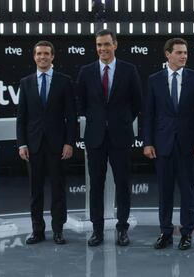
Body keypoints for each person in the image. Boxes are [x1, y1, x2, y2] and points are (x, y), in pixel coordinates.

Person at [76, 29, 142, 247]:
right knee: (96, 186)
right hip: (95, 138)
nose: (102, 49)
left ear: (115, 44)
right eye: (98, 45)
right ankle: (97, 231)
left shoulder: (129, 70)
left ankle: (122, 229)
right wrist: (99, 121)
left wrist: (120, 121)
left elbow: (136, 103)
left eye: (106, 44)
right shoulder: (86, 71)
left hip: (120, 137)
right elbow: (82, 104)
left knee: (123, 184)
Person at [143, 38, 194, 250]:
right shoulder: (154, 79)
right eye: (179, 52)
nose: (184, 56)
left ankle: (187, 233)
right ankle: (165, 232)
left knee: (188, 191)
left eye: (185, 52)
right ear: (167, 55)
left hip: (188, 145)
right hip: (162, 144)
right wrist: (148, 142)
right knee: (164, 191)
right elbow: (149, 114)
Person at [16, 40, 77, 245]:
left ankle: (58, 230)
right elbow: (21, 117)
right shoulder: (26, 82)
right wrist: (22, 143)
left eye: (46, 54)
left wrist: (70, 143)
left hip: (58, 145)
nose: (43, 57)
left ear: (53, 57)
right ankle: (37, 231)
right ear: (34, 57)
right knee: (36, 191)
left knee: (58, 189)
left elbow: (71, 115)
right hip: (33, 146)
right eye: (39, 54)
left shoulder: (64, 81)